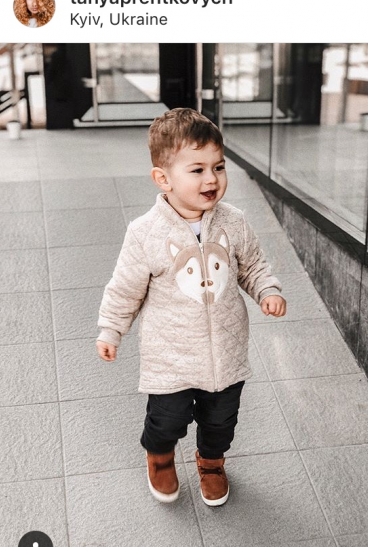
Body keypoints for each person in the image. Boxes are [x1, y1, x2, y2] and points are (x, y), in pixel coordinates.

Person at [96, 108, 286, 507]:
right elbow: (125, 289)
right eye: (197, 170)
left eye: (218, 167)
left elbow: (252, 264)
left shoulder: (234, 221)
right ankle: (160, 457)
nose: (211, 179)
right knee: (167, 419)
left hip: (226, 351)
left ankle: (211, 461)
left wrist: (267, 289)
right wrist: (111, 329)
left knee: (221, 420)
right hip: (171, 356)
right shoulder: (145, 233)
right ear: (163, 179)